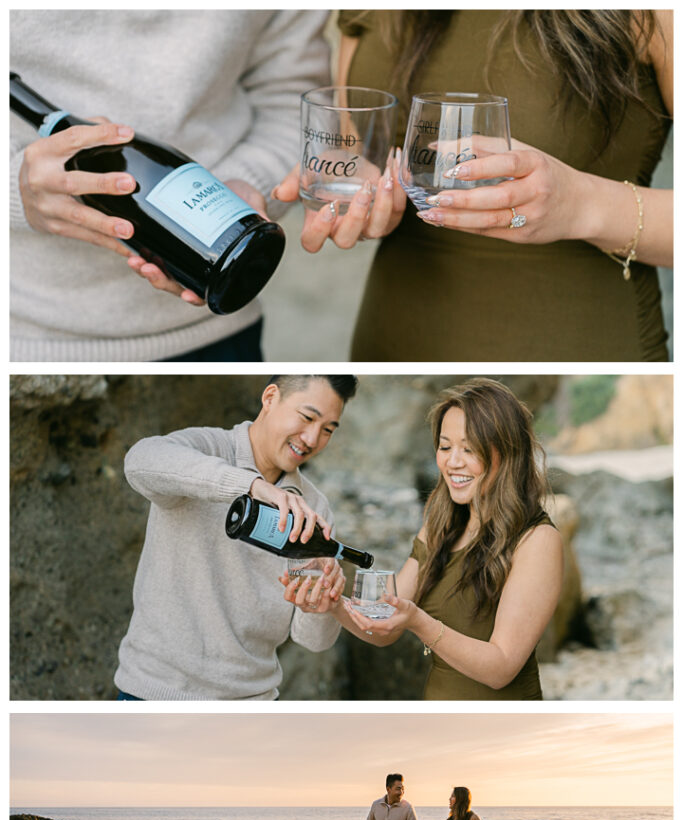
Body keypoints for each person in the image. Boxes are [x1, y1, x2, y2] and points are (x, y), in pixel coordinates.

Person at [274, 10, 673, 361]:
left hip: (574, 342)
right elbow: (363, 149)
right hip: (391, 339)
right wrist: (358, 187)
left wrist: (580, 204)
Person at [10, 9, 330, 361]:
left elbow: (297, 103)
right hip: (30, 345)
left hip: (218, 336)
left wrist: (245, 182)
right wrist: (15, 188)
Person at [285, 378, 563, 699]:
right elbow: (385, 623)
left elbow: (501, 668)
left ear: (507, 451)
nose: (452, 461)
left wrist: (419, 621)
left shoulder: (537, 540)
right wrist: (334, 604)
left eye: (469, 448)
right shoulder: (440, 526)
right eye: (445, 447)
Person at [115, 374, 358, 700]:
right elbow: (140, 461)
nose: (313, 438)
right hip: (153, 693)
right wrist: (251, 486)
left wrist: (323, 605)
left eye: (328, 429)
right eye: (307, 417)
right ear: (270, 398)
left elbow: (313, 641)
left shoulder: (313, 508)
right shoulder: (206, 448)